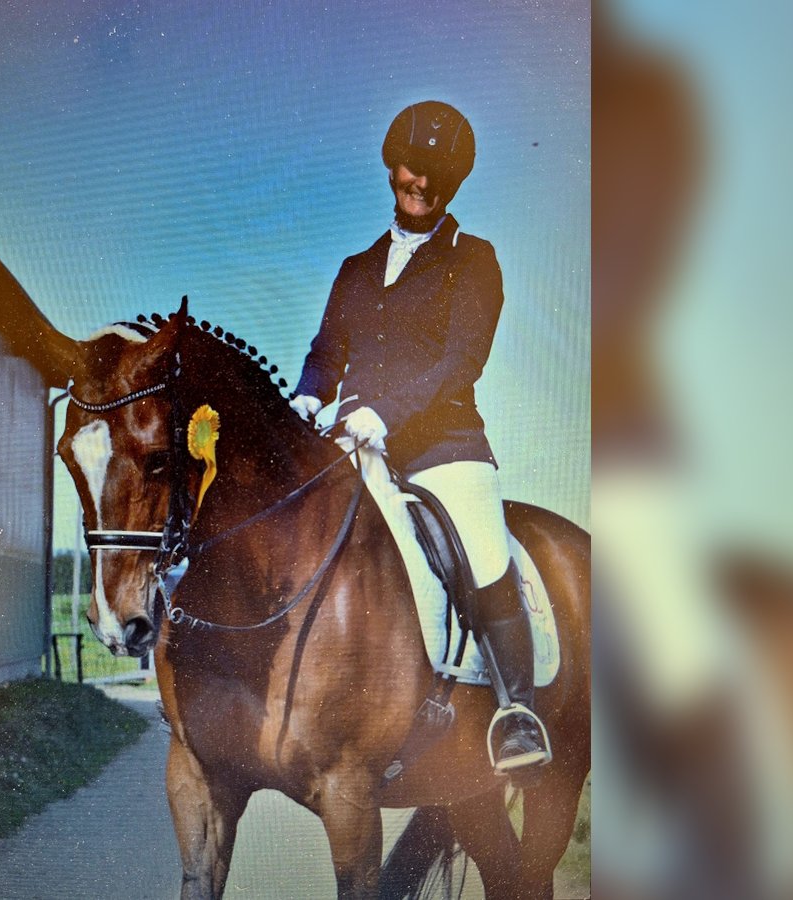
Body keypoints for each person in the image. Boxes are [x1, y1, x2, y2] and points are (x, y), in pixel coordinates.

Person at [289, 101, 549, 774]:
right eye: (412, 167)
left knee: (481, 551)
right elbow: (326, 351)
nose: (422, 183)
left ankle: (517, 712)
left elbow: (463, 360)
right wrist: (309, 394)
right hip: (355, 442)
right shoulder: (355, 268)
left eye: (439, 173)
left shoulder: (475, 259)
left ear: (454, 182)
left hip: (445, 446)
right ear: (391, 169)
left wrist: (387, 412)